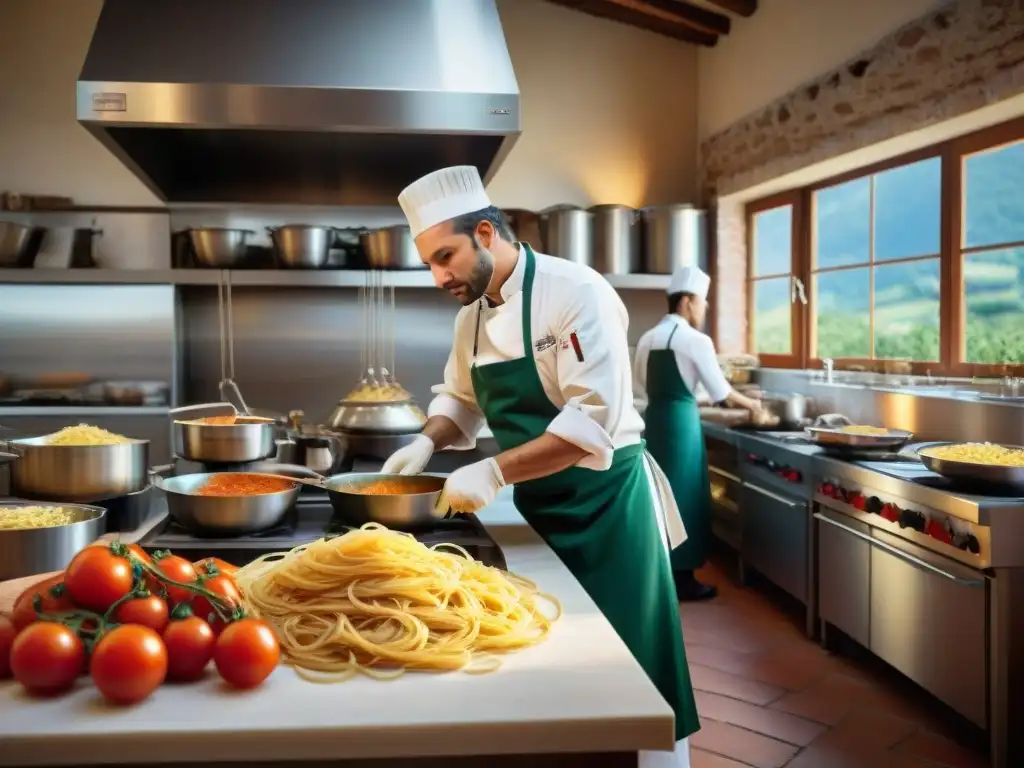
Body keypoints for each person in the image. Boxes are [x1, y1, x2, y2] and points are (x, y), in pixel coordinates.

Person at [381, 165, 699, 767]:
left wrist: (495, 472)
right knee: (560, 670)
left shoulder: (575, 291)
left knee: (637, 669)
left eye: (444, 257)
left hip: (608, 510)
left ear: (483, 232)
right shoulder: (470, 315)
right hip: (540, 507)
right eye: (428, 263)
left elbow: (590, 424)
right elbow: (460, 400)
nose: (438, 275)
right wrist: (425, 441)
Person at [633, 266, 762, 601]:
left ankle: (659, 573)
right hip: (683, 425)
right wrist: (753, 405)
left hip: (655, 421)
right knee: (687, 494)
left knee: (660, 496)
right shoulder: (696, 340)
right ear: (688, 302)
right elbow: (722, 393)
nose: (704, 310)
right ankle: (685, 577)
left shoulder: (648, 337)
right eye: (703, 303)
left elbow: (644, 386)